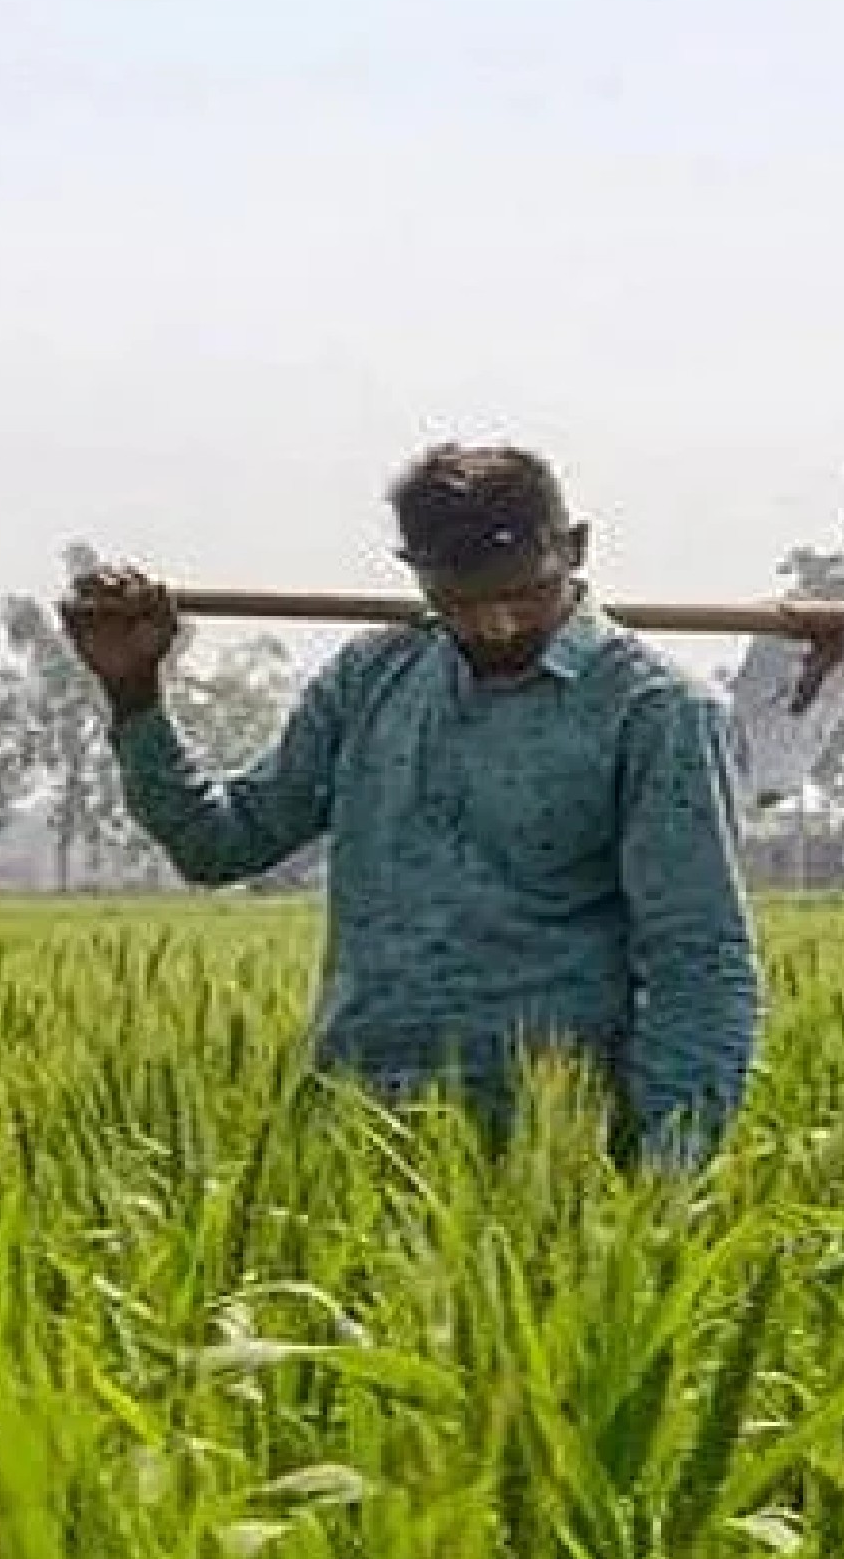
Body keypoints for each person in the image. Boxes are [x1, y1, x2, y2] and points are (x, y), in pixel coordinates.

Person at [58, 443, 763, 1167]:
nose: (497, 626)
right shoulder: (372, 678)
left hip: (549, 1149)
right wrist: (134, 692)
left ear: (575, 548)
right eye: (460, 604)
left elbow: (701, 962)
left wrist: (661, 1177)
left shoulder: (656, 713)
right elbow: (219, 844)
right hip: (355, 1132)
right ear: (416, 576)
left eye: (524, 595)